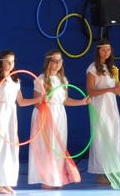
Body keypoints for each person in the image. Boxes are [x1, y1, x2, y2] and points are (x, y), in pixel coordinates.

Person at [28, 50, 89, 188]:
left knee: (58, 147)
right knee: (47, 146)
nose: (58, 64)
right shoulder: (41, 79)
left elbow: (65, 100)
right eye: (54, 61)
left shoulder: (63, 80)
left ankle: (55, 178)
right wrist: (46, 113)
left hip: (59, 115)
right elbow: (36, 102)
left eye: (60, 61)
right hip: (45, 115)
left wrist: (82, 102)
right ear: (48, 62)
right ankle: (46, 180)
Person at [0, 50, 38, 195]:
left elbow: (21, 101)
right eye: (8, 61)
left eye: (12, 61)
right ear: (1, 62)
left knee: (11, 147)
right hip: (0, 112)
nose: (10, 64)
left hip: (11, 113)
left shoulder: (15, 80)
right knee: (0, 146)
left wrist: (38, 99)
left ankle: (7, 182)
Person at [86, 39, 120, 185]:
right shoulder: (93, 68)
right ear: (98, 51)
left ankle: (112, 170)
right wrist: (110, 89)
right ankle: (99, 174)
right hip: (99, 107)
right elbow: (90, 91)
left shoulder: (112, 68)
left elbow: (114, 91)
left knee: (113, 136)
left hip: (111, 106)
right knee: (100, 138)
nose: (106, 53)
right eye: (103, 50)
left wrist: (116, 89)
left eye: (108, 50)